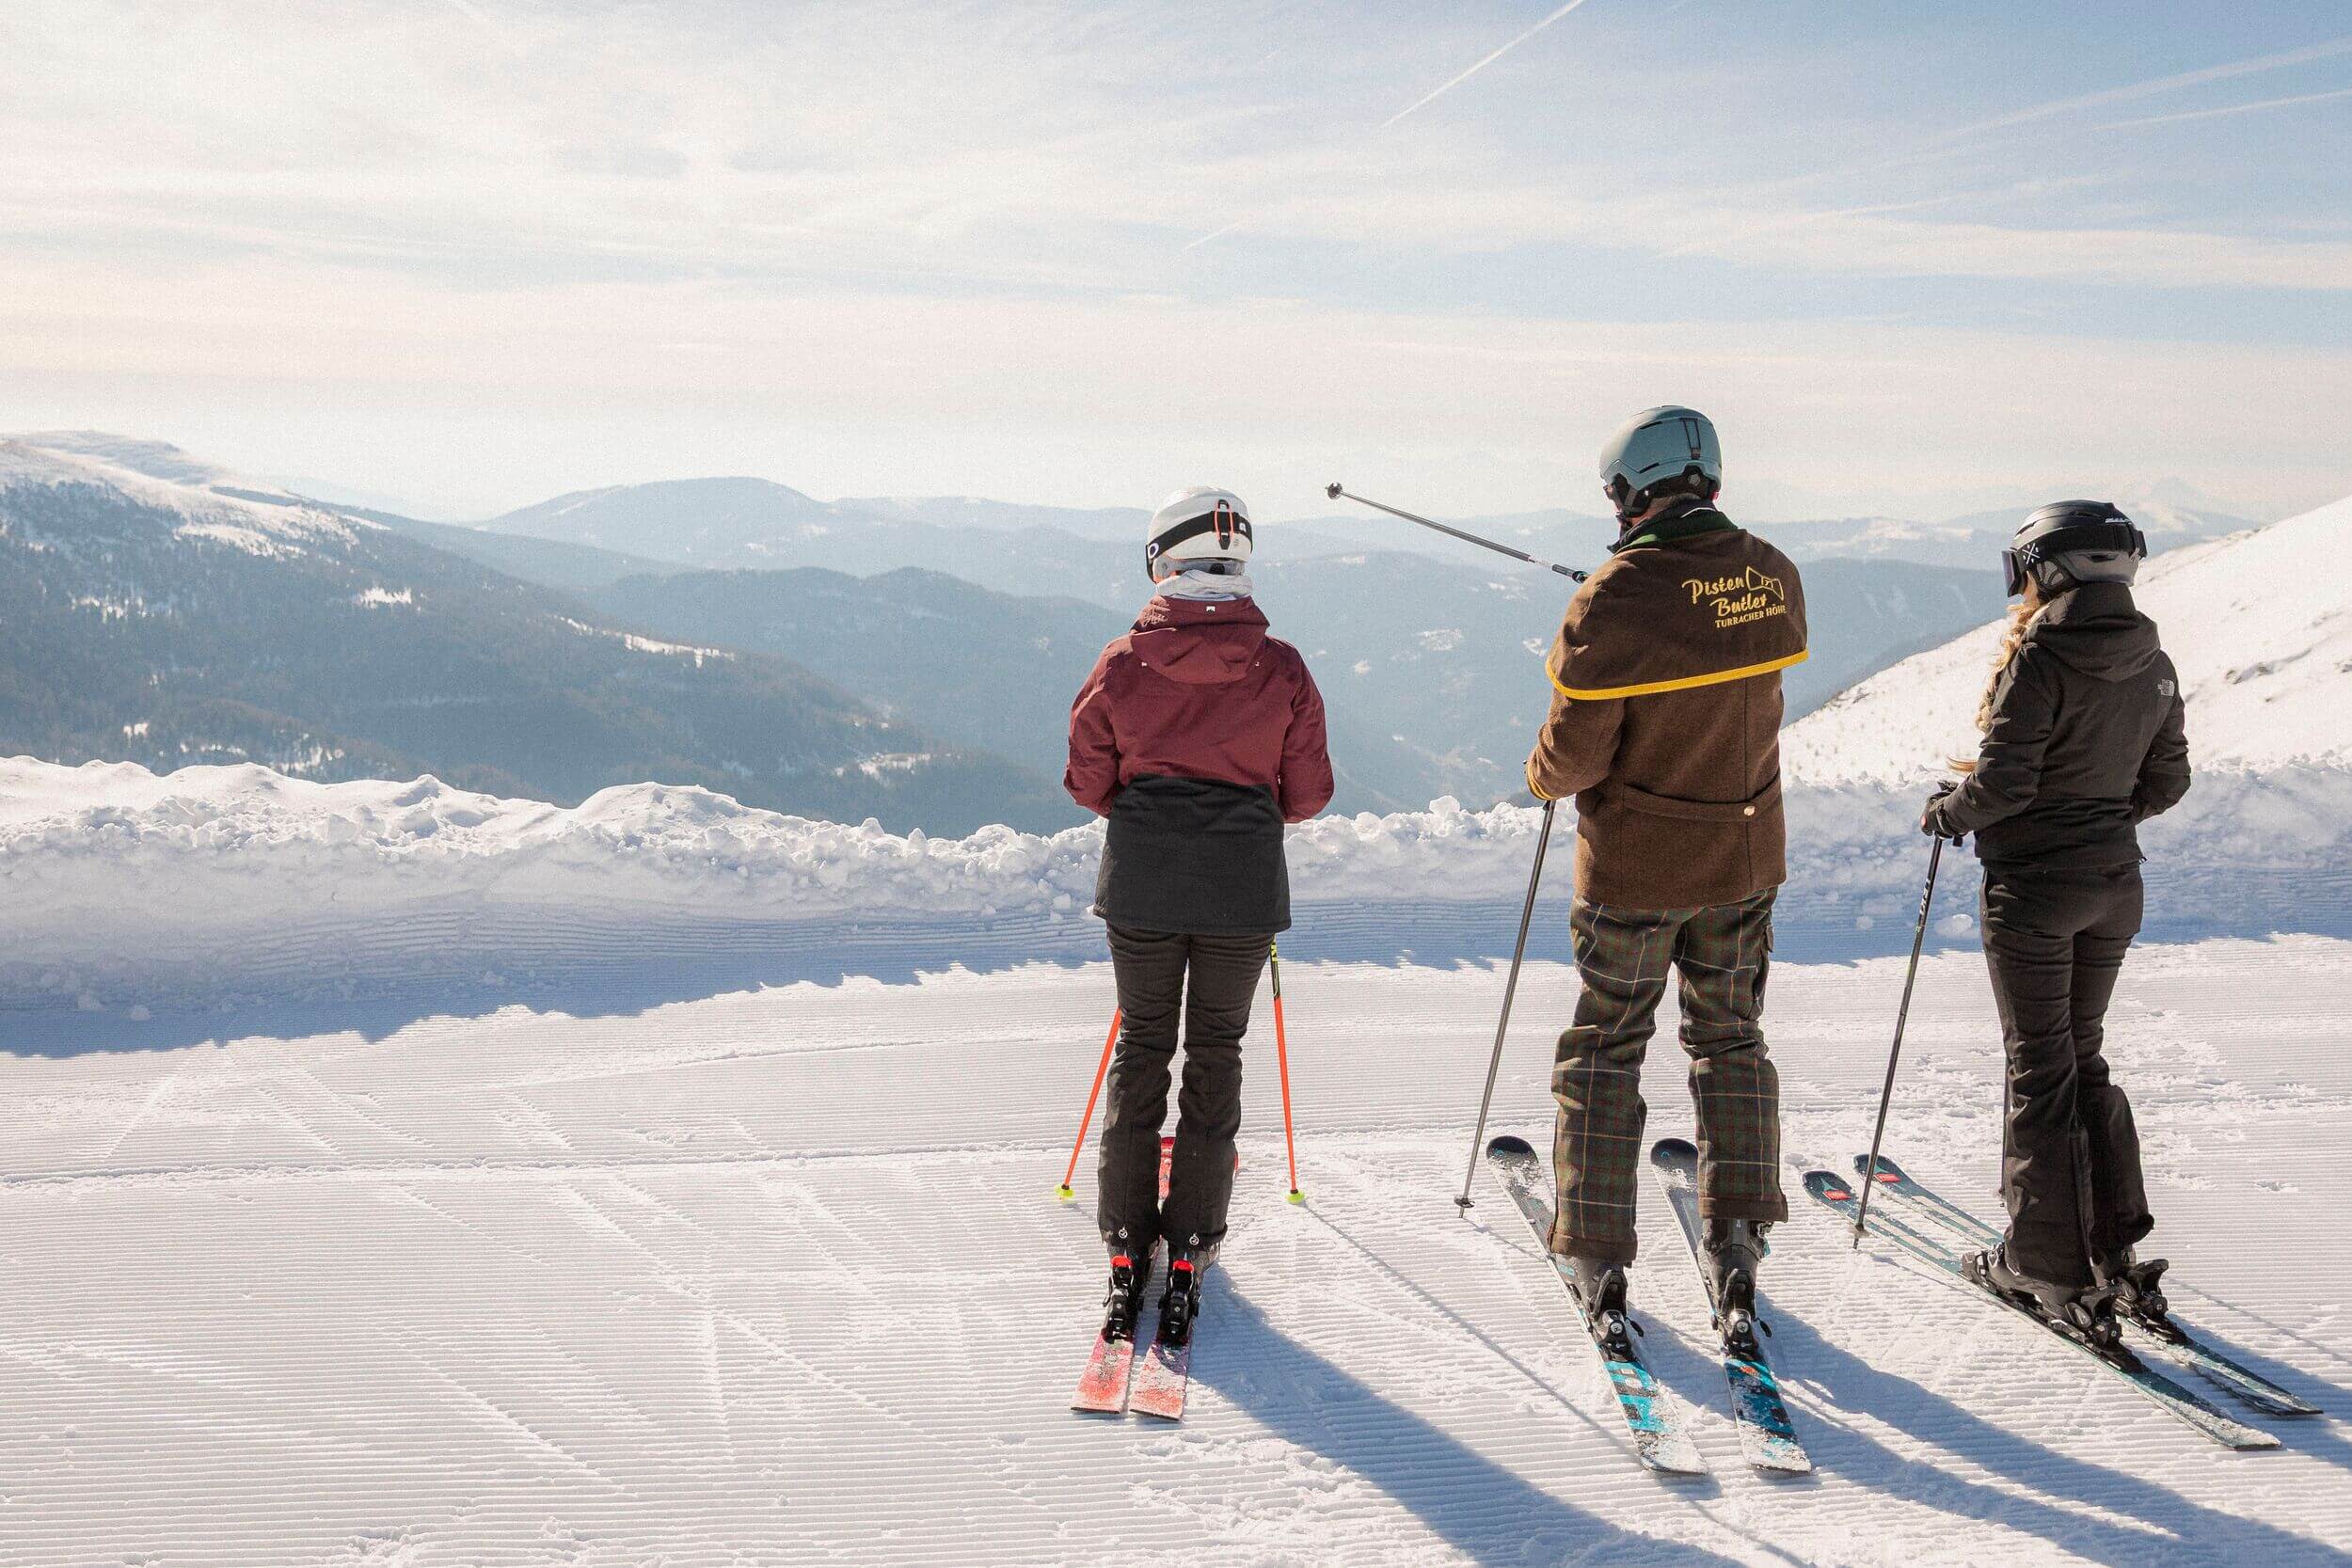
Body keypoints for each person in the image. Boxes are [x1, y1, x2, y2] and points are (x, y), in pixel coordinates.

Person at [1524, 405, 1808, 1334]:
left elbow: (1573, 759)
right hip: (1744, 856)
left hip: (1636, 871)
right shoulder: (1772, 573)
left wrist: (1539, 772)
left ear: (1629, 491)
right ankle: (1740, 1229)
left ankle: (1596, 1245)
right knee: (1730, 1035)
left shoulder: (1613, 597)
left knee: (1606, 1045)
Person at [1064, 485, 1334, 1347]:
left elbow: (1086, 780)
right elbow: (1310, 793)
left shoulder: (1122, 663)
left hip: (1143, 884)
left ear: (1162, 561)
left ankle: (1124, 1239)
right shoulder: (1281, 667)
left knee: (1143, 1045)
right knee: (1217, 1051)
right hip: (1240, 889)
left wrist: (1148, 808)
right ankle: (1191, 1242)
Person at [1921, 501, 2189, 1333]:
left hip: (2035, 891)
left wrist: (1946, 812)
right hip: (2115, 884)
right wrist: (2099, 818)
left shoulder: (2041, 656)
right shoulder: (2153, 657)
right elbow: (2169, 781)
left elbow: (2004, 784)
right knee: (2082, 1056)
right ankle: (2112, 1247)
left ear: (2047, 569)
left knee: (2040, 1068)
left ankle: (2042, 1264)